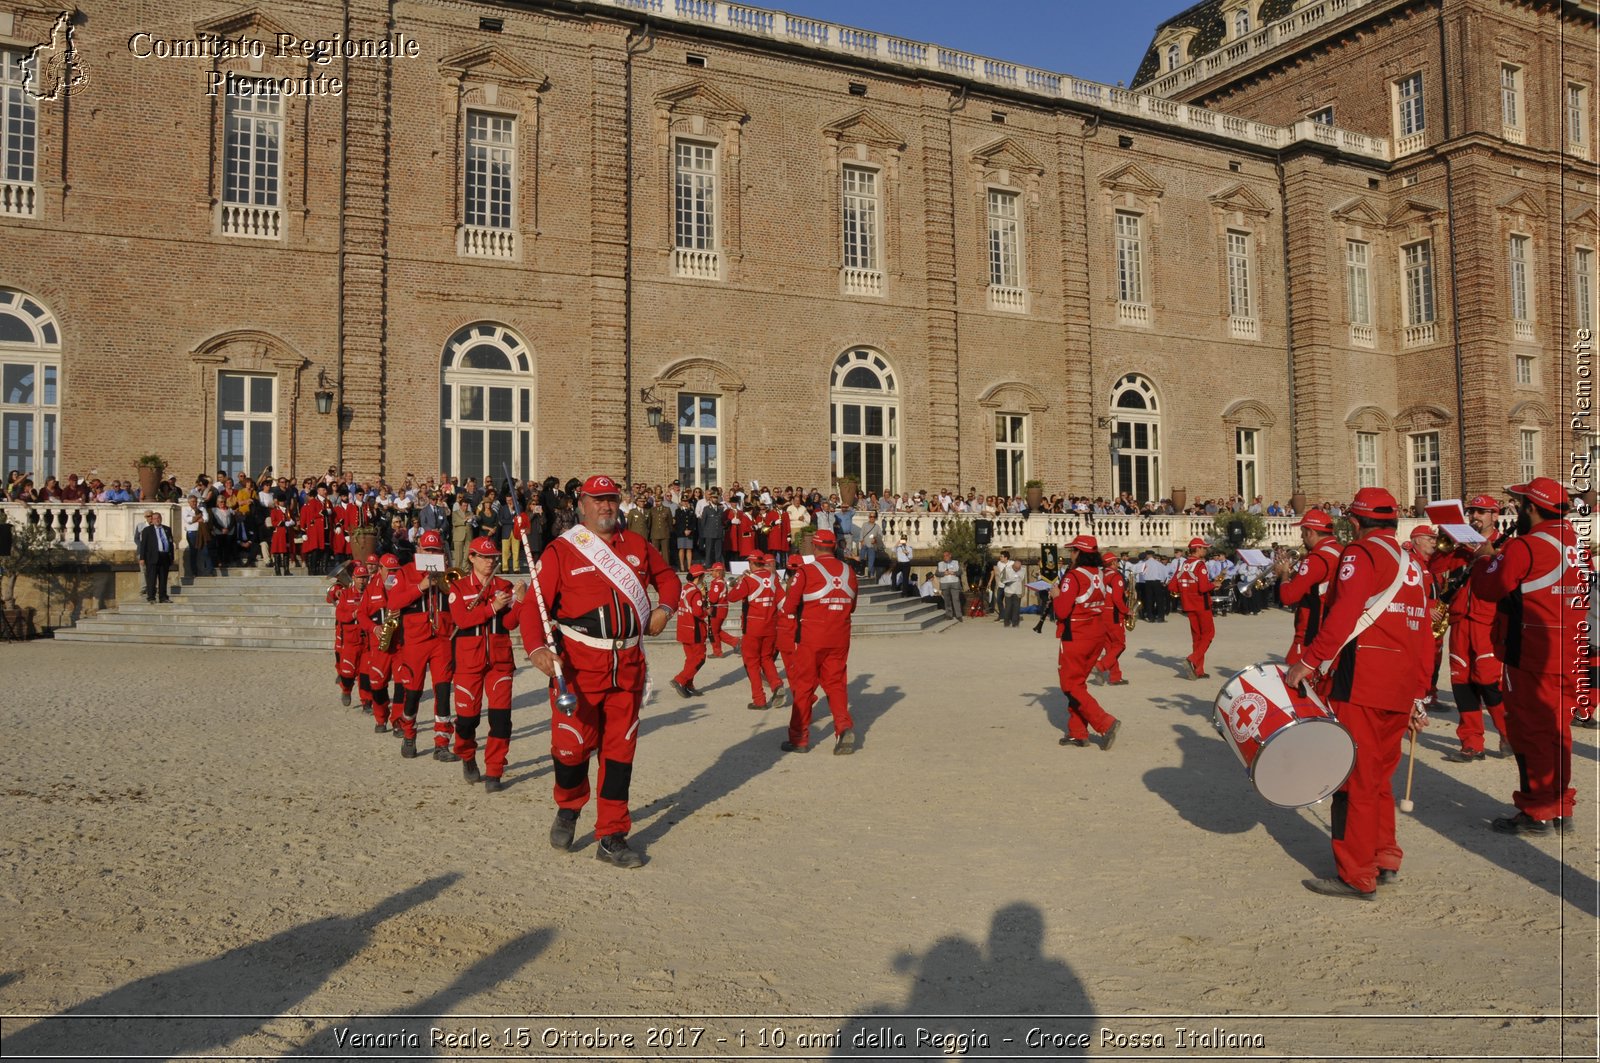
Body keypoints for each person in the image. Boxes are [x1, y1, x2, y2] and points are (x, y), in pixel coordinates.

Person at [520, 474, 681, 869]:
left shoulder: (637, 545)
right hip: (578, 669)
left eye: (611, 499)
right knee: (571, 750)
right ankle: (569, 807)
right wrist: (538, 648)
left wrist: (665, 609)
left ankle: (612, 835)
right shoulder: (562, 551)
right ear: (583, 504)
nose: (605, 507)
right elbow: (532, 609)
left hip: (627, 668)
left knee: (620, 753)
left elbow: (669, 580)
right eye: (597, 500)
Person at [1286, 487, 1434, 901]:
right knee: (1379, 777)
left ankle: (1357, 874)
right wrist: (1420, 692)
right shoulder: (1415, 565)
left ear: (1355, 522)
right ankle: (1385, 856)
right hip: (1401, 684)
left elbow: (1343, 614)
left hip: (1363, 680)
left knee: (1354, 780)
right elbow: (1424, 632)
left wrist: (1309, 662)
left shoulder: (1361, 555)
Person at [1472, 477, 1586, 835]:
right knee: (1558, 731)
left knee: (1529, 732)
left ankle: (1537, 811)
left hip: (1533, 652)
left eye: (1521, 505)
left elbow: (1490, 588)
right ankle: (1560, 805)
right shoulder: (1574, 541)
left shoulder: (1527, 545)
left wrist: (1484, 559)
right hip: (1570, 647)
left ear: (1532, 508)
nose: (1518, 511)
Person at [1437, 497, 1511, 762]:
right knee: (1461, 684)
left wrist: (1488, 552)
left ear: (1495, 515)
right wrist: (1444, 546)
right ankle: (1471, 743)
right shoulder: (1458, 549)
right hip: (1460, 622)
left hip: (1488, 623)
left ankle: (1507, 733)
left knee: (1489, 683)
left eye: (1481, 511)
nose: (1475, 516)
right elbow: (1434, 569)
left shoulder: (1508, 545)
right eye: (1471, 511)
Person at [448, 536, 525, 792]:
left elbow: (512, 623)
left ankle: (495, 770)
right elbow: (461, 619)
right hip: (469, 660)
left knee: (501, 720)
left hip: (500, 661)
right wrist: (492, 608)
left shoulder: (505, 585)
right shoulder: (458, 588)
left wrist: (521, 601)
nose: (490, 561)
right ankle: (467, 756)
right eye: (484, 556)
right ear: (471, 557)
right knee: (467, 721)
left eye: (493, 557)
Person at [780, 527, 859, 755]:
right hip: (840, 636)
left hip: (812, 636)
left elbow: (788, 606)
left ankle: (799, 738)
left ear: (814, 547)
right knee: (836, 684)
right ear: (834, 547)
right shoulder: (848, 571)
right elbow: (851, 606)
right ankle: (843, 726)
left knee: (804, 687)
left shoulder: (806, 571)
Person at [385, 528, 457, 761]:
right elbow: (393, 602)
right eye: (428, 550)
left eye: (436, 550)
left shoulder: (448, 573)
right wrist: (421, 587)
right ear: (419, 550)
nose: (432, 553)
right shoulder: (405, 573)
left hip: (442, 639)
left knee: (444, 691)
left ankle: (442, 743)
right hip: (415, 640)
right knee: (413, 692)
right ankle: (409, 734)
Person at [1052, 535, 1121, 749]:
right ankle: (1078, 732)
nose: (1070, 554)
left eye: (1072, 551)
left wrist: (1055, 595)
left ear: (1079, 553)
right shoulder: (1100, 573)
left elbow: (1062, 610)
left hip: (1076, 634)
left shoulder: (1074, 576)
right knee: (1078, 684)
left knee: (1070, 685)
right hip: (1096, 634)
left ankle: (1105, 722)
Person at [1275, 509, 1343, 666]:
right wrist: (1294, 576)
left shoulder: (1317, 557)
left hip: (1311, 628)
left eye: (1303, 532)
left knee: (1292, 675)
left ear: (1311, 532)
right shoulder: (1339, 550)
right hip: (1331, 624)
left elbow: (1288, 597)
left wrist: (1284, 574)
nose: (1301, 537)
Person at [726, 551, 786, 710]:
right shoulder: (774, 578)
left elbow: (731, 597)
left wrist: (740, 581)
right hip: (771, 626)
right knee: (766, 658)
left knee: (751, 662)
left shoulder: (749, 580)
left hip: (753, 627)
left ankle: (759, 699)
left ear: (752, 564)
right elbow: (783, 602)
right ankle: (776, 684)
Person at [1169, 537, 1216, 679]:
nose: (1205, 550)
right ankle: (1192, 659)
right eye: (1204, 548)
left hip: (1188, 604)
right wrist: (1214, 585)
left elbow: (1172, 586)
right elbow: (1203, 588)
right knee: (1208, 635)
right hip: (1202, 604)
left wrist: (1185, 591)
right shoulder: (1200, 565)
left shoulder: (1182, 564)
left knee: (1197, 638)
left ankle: (1198, 670)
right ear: (1197, 549)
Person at [328, 563, 371, 710]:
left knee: (365, 675)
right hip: (351, 640)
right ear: (354, 578)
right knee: (348, 673)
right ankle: (346, 689)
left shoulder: (371, 593)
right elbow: (340, 615)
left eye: (365, 578)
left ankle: (366, 702)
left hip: (368, 640)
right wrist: (353, 614)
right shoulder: (346, 594)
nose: (362, 581)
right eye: (359, 578)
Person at [671, 564, 710, 698]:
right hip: (694, 629)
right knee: (699, 658)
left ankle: (688, 684)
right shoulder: (696, 592)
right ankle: (680, 679)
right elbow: (698, 612)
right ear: (699, 577)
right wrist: (707, 611)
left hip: (683, 628)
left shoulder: (686, 588)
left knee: (690, 658)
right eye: (703, 575)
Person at [1094, 550, 1130, 686]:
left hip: (1102, 613)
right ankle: (1101, 665)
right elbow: (1117, 598)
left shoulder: (1100, 575)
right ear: (1114, 562)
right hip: (1113, 614)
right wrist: (1127, 611)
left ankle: (1115, 676)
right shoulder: (1116, 576)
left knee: (1110, 647)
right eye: (1117, 561)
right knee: (1120, 645)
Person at [135, 510, 175, 604]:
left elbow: (170, 543)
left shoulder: (167, 529)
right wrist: (142, 558)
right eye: (155, 518)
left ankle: (163, 597)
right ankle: (151, 597)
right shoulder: (147, 530)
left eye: (158, 518)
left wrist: (171, 557)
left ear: (161, 519)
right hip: (152, 557)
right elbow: (143, 544)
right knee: (151, 578)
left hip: (164, 556)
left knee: (163, 578)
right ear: (152, 520)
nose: (157, 520)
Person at [705, 562, 740, 658]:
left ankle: (718, 651)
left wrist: (704, 596)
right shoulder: (721, 581)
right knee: (716, 630)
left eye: (712, 571)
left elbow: (712, 599)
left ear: (718, 572)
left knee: (713, 631)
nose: (711, 573)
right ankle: (735, 642)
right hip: (721, 608)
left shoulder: (717, 583)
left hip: (718, 609)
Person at [936, 550, 963, 621]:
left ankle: (959, 615)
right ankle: (949, 615)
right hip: (945, 583)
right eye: (944, 556)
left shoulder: (956, 562)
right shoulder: (940, 564)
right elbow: (937, 574)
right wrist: (944, 573)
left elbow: (960, 572)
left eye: (946, 555)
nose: (945, 557)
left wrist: (954, 573)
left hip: (954, 583)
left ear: (950, 555)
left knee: (956, 599)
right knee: (947, 600)